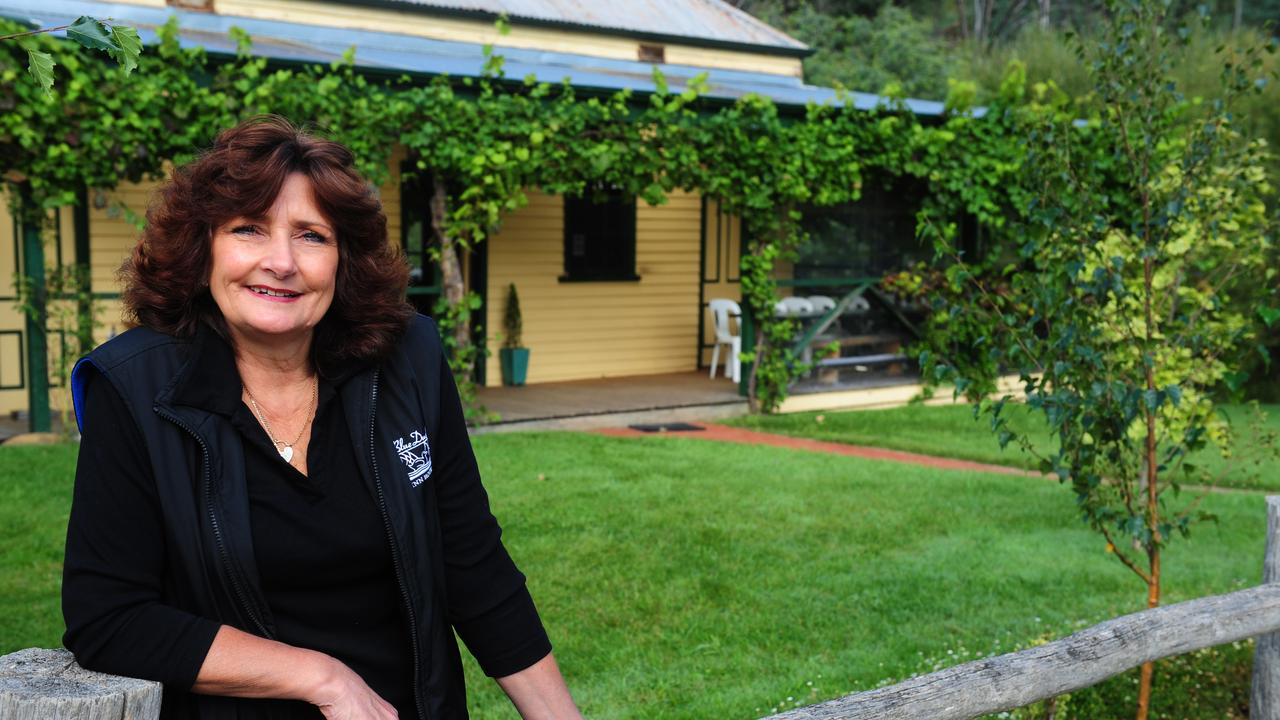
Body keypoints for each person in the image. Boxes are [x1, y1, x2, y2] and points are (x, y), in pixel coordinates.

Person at [62, 116, 582, 720]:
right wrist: (322, 677)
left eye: (312, 235)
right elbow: (110, 618)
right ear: (204, 248)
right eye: (248, 229)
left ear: (344, 259)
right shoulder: (132, 388)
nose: (281, 262)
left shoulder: (406, 361)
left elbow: (473, 566)